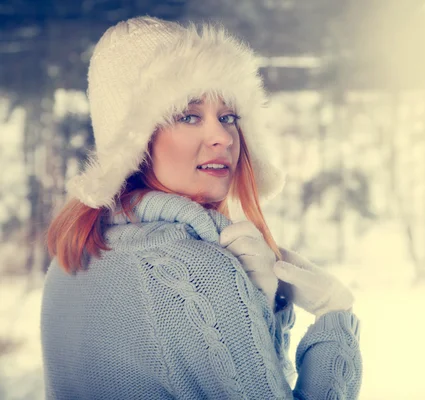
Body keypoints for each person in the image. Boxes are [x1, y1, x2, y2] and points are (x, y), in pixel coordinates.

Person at [40, 16, 362, 399]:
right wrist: (334, 316)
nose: (222, 136)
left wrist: (258, 307)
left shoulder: (71, 258)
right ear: (137, 141)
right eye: (188, 116)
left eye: (228, 117)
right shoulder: (197, 274)